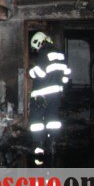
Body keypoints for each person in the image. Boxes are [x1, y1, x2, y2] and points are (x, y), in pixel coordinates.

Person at [28, 31, 71, 165]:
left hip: (41, 94)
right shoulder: (60, 54)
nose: (36, 50)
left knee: (36, 121)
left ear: (39, 42)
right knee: (53, 119)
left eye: (36, 47)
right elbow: (67, 74)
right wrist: (61, 86)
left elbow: (40, 73)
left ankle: (39, 147)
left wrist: (30, 70)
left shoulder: (43, 53)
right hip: (56, 93)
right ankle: (52, 144)